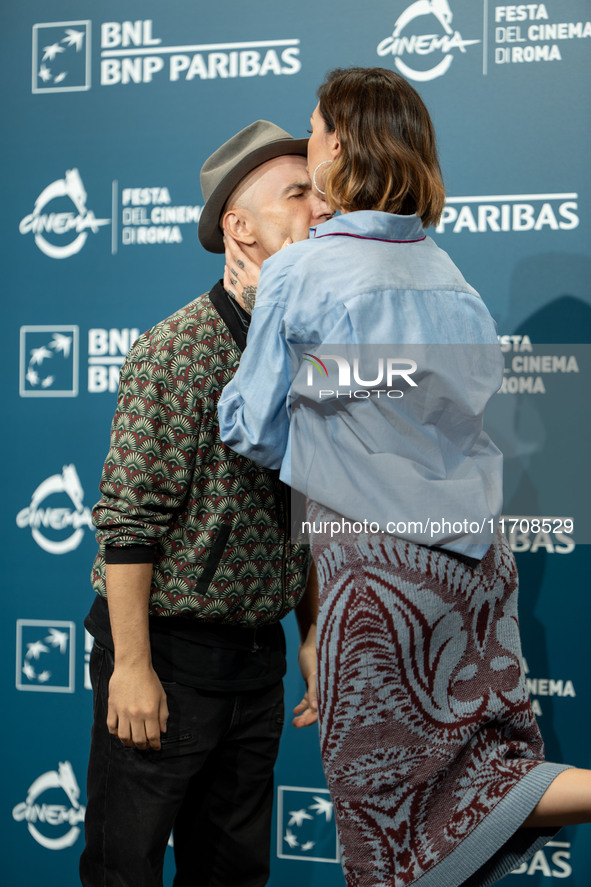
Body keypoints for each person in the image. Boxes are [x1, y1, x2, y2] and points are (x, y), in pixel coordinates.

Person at [218, 69, 591, 887]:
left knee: (382, 819)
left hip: (376, 574)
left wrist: (270, 330)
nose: (306, 139)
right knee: (487, 771)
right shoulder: (448, 274)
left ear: (340, 145)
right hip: (476, 569)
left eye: (313, 127)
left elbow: (248, 427)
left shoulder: (300, 270)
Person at [80, 120, 331, 887]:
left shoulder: (313, 343)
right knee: (126, 870)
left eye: (320, 192)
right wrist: (131, 666)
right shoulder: (177, 350)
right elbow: (127, 523)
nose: (319, 210)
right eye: (298, 193)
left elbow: (310, 506)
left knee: (233, 874)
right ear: (239, 226)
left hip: (256, 667)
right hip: (166, 658)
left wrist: (312, 633)